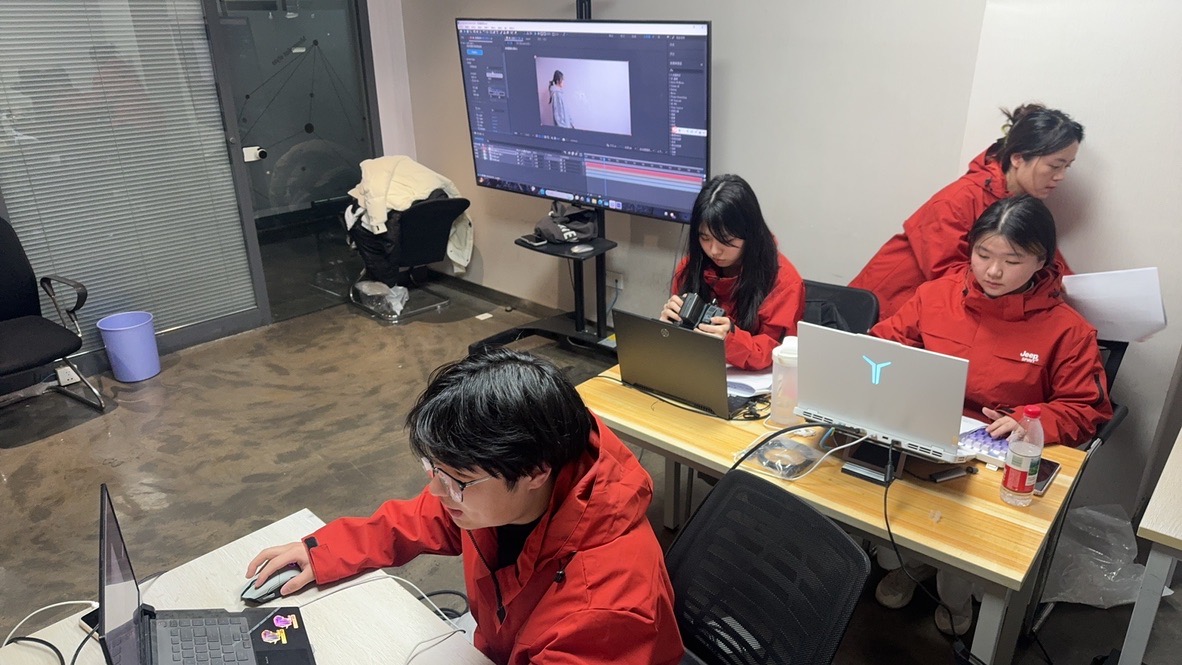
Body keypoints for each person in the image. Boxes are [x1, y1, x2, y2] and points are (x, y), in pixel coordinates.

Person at [244, 349, 683, 665]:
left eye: (455, 479)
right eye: (431, 468)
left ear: (535, 472)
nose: (436, 490)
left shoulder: (606, 608)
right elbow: (425, 516)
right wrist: (325, 552)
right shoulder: (494, 491)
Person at [868, 194, 1113, 635]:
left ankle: (955, 596)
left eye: (1012, 261)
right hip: (923, 435)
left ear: (1042, 261)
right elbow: (883, 348)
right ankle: (913, 566)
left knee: (965, 543)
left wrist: (1029, 420)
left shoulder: (1067, 329)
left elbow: (1086, 407)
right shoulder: (935, 296)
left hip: (995, 456)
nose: (993, 271)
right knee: (881, 512)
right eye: (983, 254)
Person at [849, 103, 1084, 320]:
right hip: (883, 308)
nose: (1060, 176)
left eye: (1067, 166)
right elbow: (949, 275)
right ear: (1018, 158)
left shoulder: (1024, 207)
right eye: (1055, 165)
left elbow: (1049, 264)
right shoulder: (960, 198)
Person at [659, 173, 805, 370]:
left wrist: (730, 339)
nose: (714, 251)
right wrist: (668, 327)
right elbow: (680, 344)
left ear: (750, 234)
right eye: (705, 238)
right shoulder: (691, 267)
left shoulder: (784, 281)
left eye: (725, 240)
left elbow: (776, 352)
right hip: (697, 369)